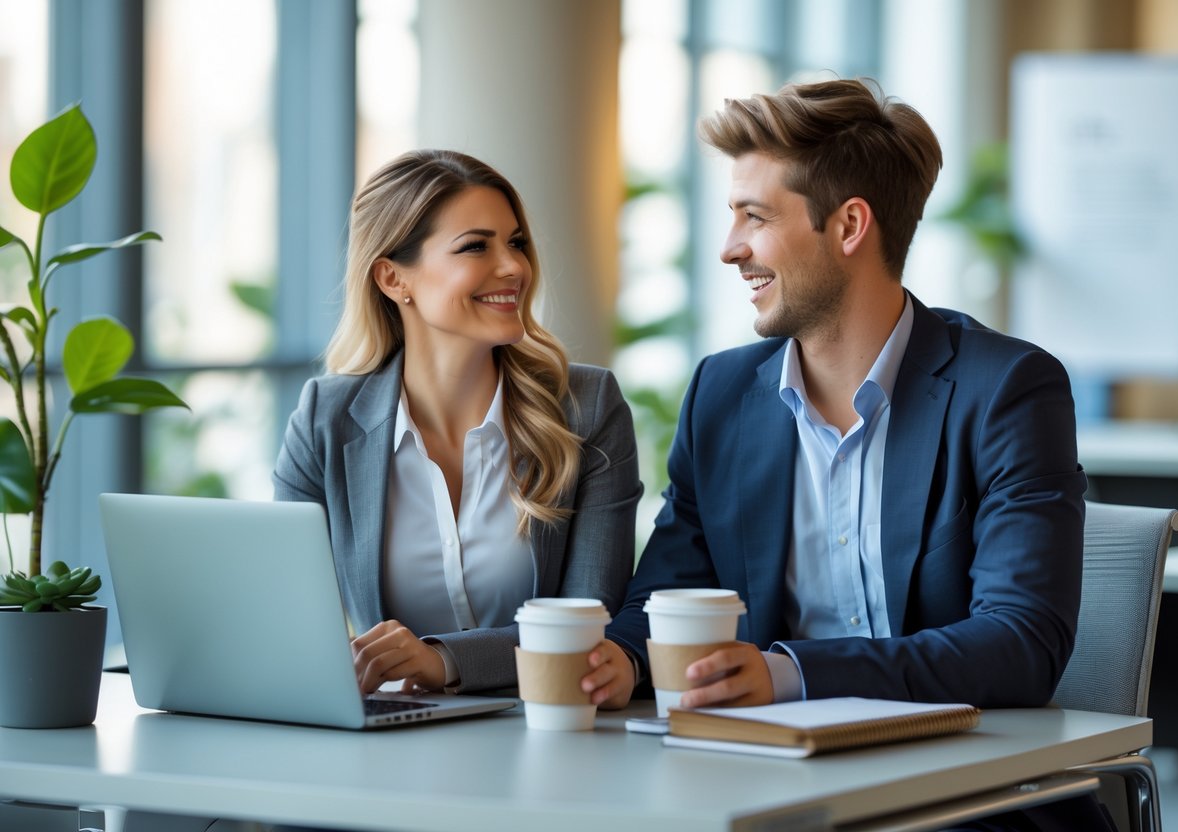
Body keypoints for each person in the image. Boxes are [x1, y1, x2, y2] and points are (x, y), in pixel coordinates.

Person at [580, 77, 1105, 830]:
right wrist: (619, 661)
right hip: (765, 789)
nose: (730, 250)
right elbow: (663, 598)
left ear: (850, 225)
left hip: (972, 799)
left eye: (754, 217)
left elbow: (1021, 642)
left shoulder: (1006, 389)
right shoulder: (721, 395)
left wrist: (788, 673)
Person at [274, 149, 642, 696]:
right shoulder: (324, 422)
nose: (515, 266)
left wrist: (441, 660)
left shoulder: (586, 409)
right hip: (396, 745)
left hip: (549, 733)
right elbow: (295, 624)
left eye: (515, 242)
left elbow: (588, 627)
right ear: (394, 279)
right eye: (476, 246)